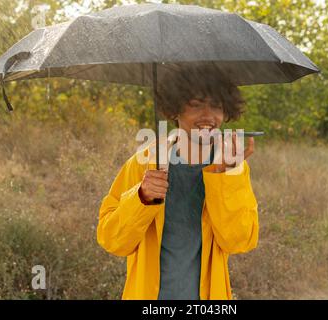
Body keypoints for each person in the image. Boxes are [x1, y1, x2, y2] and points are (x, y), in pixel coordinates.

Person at [97, 66, 259, 300]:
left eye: (216, 105)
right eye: (196, 104)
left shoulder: (231, 166)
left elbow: (239, 242)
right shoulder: (144, 162)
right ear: (175, 109)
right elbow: (112, 240)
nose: (208, 115)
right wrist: (141, 197)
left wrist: (226, 177)